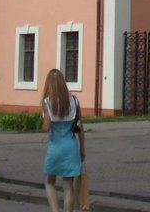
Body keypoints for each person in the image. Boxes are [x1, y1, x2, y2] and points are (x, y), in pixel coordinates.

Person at [41, 69, 85, 212]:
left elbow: (46, 128)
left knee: (49, 182)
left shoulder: (48, 102)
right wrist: (82, 149)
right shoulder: (75, 101)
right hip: (71, 147)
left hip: (56, 147)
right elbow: (80, 128)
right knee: (68, 187)